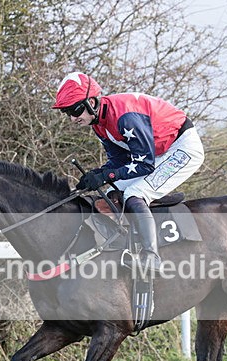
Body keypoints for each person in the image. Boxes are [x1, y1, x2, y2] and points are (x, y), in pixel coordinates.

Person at [52, 72, 204, 273]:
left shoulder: (125, 118)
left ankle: (151, 256)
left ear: (91, 102)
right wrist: (96, 175)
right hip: (159, 152)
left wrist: (106, 176)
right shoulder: (99, 124)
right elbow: (119, 161)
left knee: (136, 193)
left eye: (75, 109)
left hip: (183, 148)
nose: (72, 118)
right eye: (66, 112)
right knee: (111, 192)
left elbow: (144, 165)